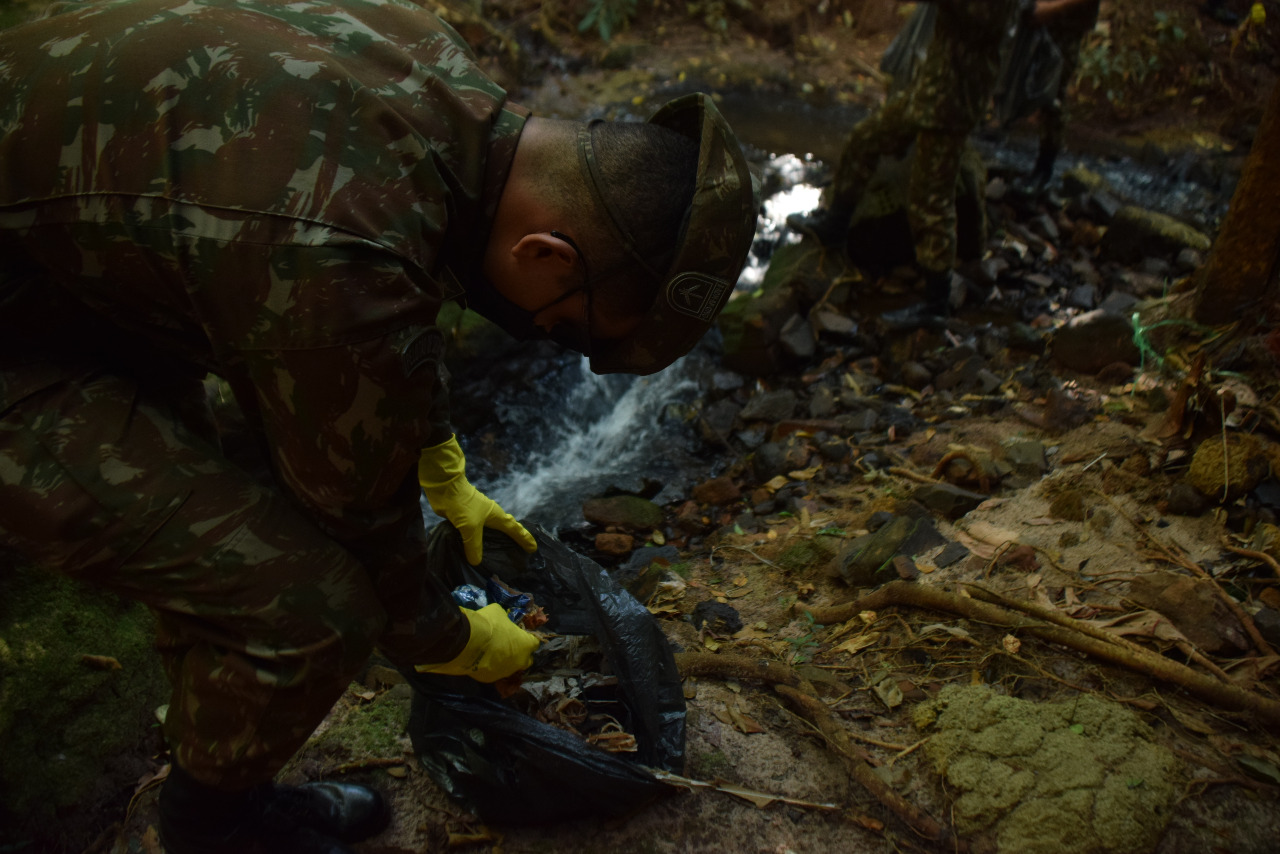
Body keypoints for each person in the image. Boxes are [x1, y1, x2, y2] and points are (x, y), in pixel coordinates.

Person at [0, 0, 759, 851]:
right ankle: (213, 828)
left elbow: (402, 286)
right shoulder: (334, 244)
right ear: (545, 256)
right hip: (30, 329)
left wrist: (441, 460)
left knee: (212, 524)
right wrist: (458, 639)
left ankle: (213, 750)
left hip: (81, 267)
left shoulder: (432, 64)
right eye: (569, 328)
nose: (552, 340)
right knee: (308, 607)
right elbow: (361, 531)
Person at [788, 0, 1022, 320]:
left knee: (930, 200)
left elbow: (980, 18)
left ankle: (936, 302)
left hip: (952, 103)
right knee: (864, 139)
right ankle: (835, 226)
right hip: (926, 92)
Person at [1026, 0, 1102, 190]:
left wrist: (1049, 9)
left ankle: (1043, 172)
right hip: (1040, 21)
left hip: (1065, 25)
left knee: (1053, 96)